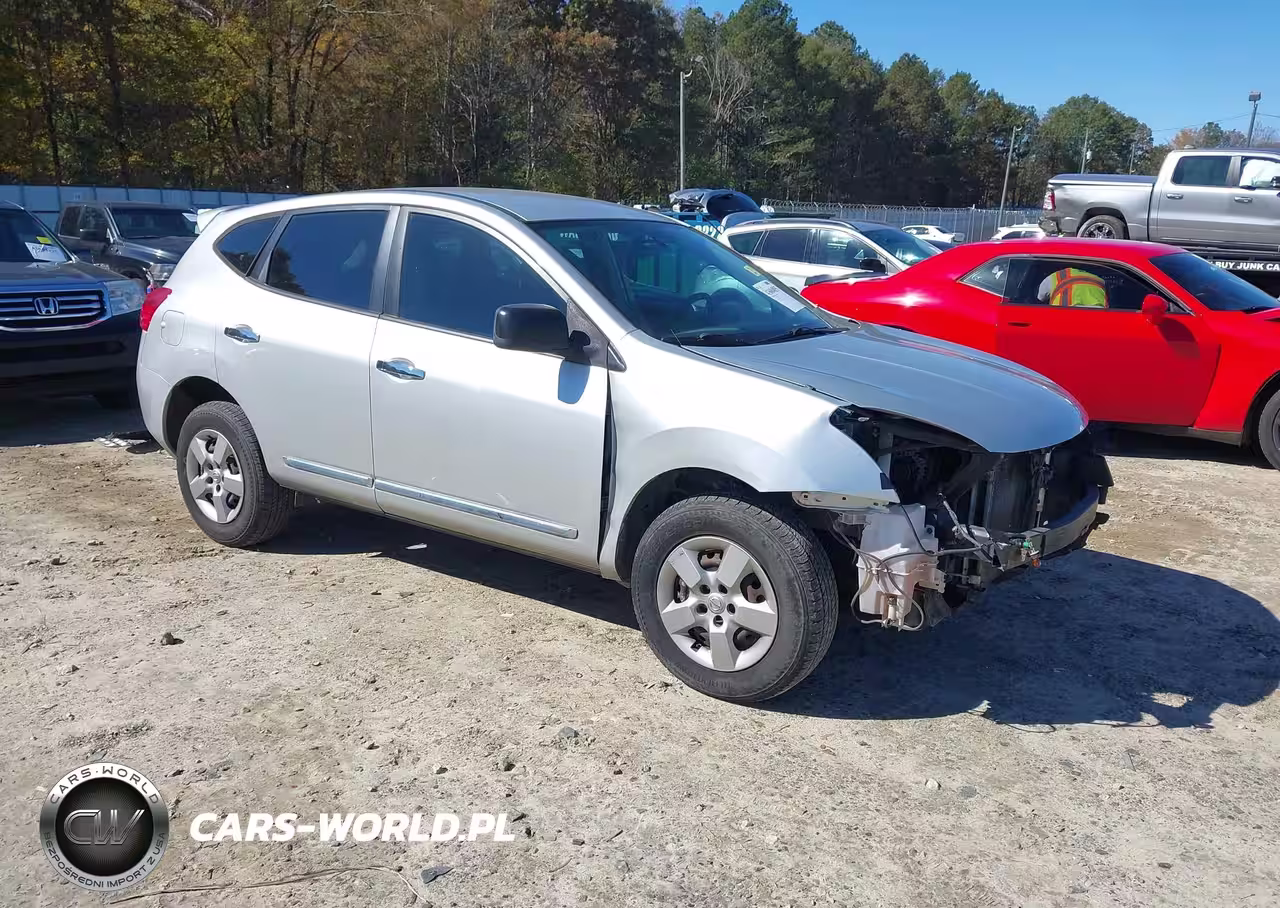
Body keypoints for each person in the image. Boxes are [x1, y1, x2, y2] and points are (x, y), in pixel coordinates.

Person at [1037, 266, 1108, 308]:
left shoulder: (1055, 276)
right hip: (1097, 318)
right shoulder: (1100, 280)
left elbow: (1040, 299)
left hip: (1063, 317)